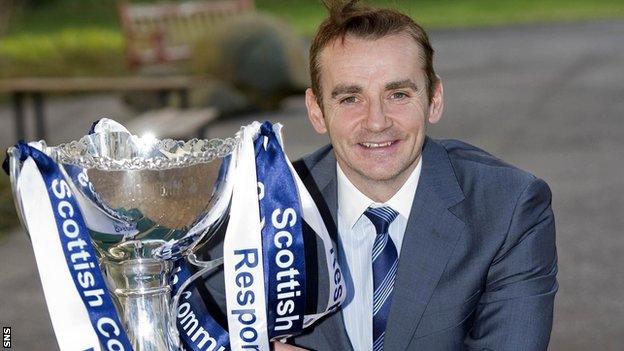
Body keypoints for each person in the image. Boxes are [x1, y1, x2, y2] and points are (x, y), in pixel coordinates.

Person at [204, 1, 558, 350]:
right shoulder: (261, 212)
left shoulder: (508, 207)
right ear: (317, 111)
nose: (377, 122)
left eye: (398, 94)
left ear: (434, 99)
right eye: (350, 99)